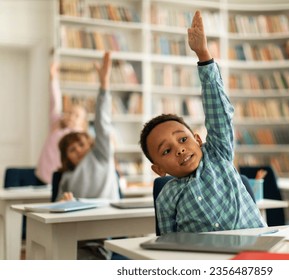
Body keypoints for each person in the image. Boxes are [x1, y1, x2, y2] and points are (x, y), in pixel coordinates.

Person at [139, 11, 267, 235]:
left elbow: (219, 112)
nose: (179, 149)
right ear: (158, 169)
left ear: (198, 139)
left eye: (183, 139)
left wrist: (203, 54)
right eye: (167, 150)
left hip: (255, 251)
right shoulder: (167, 198)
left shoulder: (218, 154)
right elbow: (169, 246)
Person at [56, 51, 119, 202]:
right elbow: (57, 203)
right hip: (82, 221)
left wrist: (104, 85)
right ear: (66, 158)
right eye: (71, 149)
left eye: (81, 144)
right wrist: (62, 201)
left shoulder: (100, 155)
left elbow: (102, 125)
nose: (77, 149)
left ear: (91, 145)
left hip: (108, 215)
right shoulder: (66, 177)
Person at [35, 62, 88, 184]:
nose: (71, 117)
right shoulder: (56, 123)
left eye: (76, 115)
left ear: (82, 122)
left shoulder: (81, 138)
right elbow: (55, 101)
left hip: (62, 178)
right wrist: (53, 78)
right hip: (42, 174)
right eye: (69, 112)